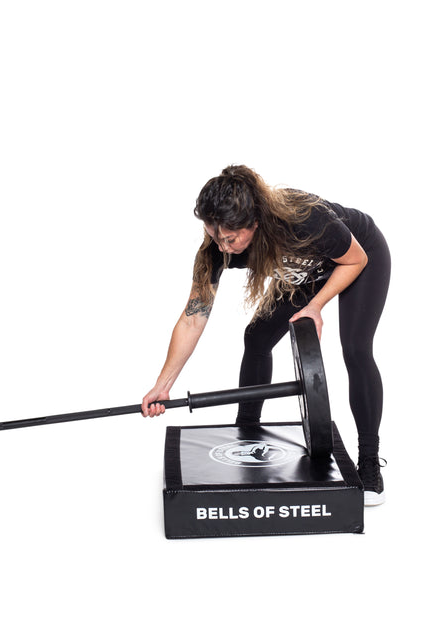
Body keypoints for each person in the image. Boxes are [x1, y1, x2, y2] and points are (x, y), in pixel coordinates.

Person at [141, 165, 390, 506]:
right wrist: (163, 384)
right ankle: (246, 432)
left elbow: (354, 259)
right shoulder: (216, 248)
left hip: (359, 257)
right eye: (216, 237)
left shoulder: (303, 218)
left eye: (231, 238)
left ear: (255, 222)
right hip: (308, 272)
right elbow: (193, 318)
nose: (224, 247)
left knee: (356, 350)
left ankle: (370, 462)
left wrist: (316, 307)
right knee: (257, 339)